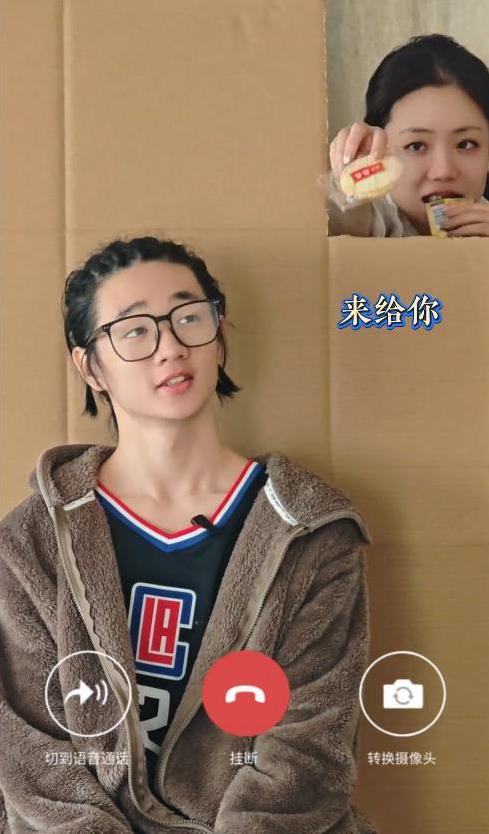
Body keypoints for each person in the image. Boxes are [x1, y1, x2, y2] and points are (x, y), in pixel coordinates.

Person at [0, 236, 377, 834]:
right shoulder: (31, 541)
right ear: (90, 367)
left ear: (218, 335)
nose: (171, 346)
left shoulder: (309, 529)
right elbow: (32, 757)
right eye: (134, 330)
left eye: (189, 317)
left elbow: (307, 753)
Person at [325, 34, 489, 237]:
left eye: (466, 144)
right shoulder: (369, 220)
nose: (443, 171)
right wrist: (345, 183)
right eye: (416, 146)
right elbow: (335, 222)